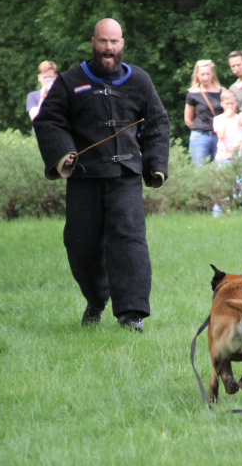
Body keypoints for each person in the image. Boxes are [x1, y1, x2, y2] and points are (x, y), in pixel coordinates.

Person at [32, 18, 170, 333]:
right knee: (80, 245)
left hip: (125, 176)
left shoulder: (140, 81)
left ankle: (131, 313)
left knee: (128, 240)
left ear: (123, 44)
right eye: (103, 42)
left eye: (115, 42)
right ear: (93, 41)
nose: (109, 49)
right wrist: (63, 154)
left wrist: (156, 164)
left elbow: (158, 123)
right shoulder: (71, 80)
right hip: (84, 177)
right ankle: (96, 298)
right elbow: (48, 120)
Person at [184, 60, 224, 165]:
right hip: (200, 136)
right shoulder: (192, 94)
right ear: (197, 75)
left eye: (208, 74)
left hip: (219, 136)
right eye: (202, 74)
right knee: (200, 170)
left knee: (222, 170)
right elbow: (188, 119)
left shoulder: (221, 91)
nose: (205, 77)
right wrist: (200, 128)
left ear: (212, 75)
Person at [213, 90, 242, 164]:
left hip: (238, 155)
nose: (230, 106)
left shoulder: (240, 118)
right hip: (223, 156)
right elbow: (220, 135)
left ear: (236, 104)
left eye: (232, 103)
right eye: (227, 104)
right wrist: (226, 117)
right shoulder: (218, 118)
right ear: (222, 104)